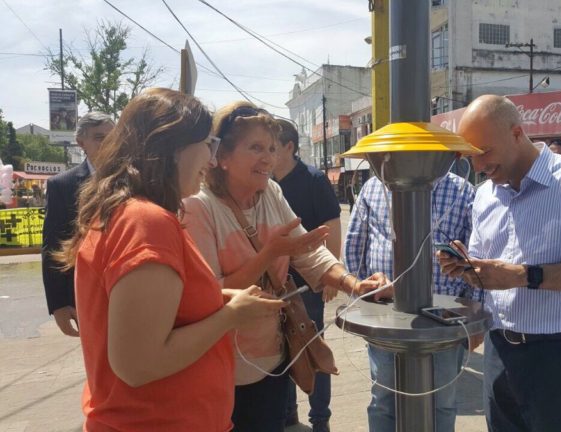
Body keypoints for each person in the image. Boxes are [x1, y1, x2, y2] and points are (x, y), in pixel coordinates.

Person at [55, 88, 287, 431]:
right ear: (173, 149)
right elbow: (138, 364)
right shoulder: (146, 221)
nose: (211, 160)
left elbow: (162, 306)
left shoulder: (128, 212)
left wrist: (224, 297)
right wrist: (230, 316)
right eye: (206, 145)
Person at [182, 101, 391, 432]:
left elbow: (307, 251)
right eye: (255, 148)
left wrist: (353, 284)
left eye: (272, 148)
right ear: (221, 156)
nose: (268, 158)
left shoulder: (270, 192)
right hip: (225, 367)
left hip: (274, 356)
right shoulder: (198, 207)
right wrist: (269, 254)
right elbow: (210, 291)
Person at [438, 95, 561, 431]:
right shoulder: (484, 195)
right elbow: (487, 272)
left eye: (485, 153)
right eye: (471, 158)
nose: (478, 166)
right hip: (500, 351)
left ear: (517, 133)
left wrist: (525, 275)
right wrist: (467, 268)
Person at [345, 171, 479, 432]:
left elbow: (479, 254)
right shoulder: (373, 187)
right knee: (384, 401)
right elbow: (355, 246)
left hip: (446, 323)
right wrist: (364, 294)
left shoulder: (462, 191)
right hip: (386, 321)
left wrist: (475, 322)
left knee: (442, 402)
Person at [273, 118, 341, 432]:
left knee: (314, 352)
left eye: (272, 146)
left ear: (289, 147)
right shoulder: (266, 183)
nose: (267, 154)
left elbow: (331, 228)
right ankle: (288, 416)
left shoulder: (313, 180)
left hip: (309, 284)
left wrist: (330, 277)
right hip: (276, 285)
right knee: (281, 352)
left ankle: (320, 419)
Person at [42, 111, 114, 337]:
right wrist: (59, 303)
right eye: (100, 137)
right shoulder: (62, 185)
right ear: (81, 142)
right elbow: (54, 245)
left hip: (127, 286)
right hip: (87, 293)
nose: (109, 144)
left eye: (113, 137)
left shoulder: (133, 179)